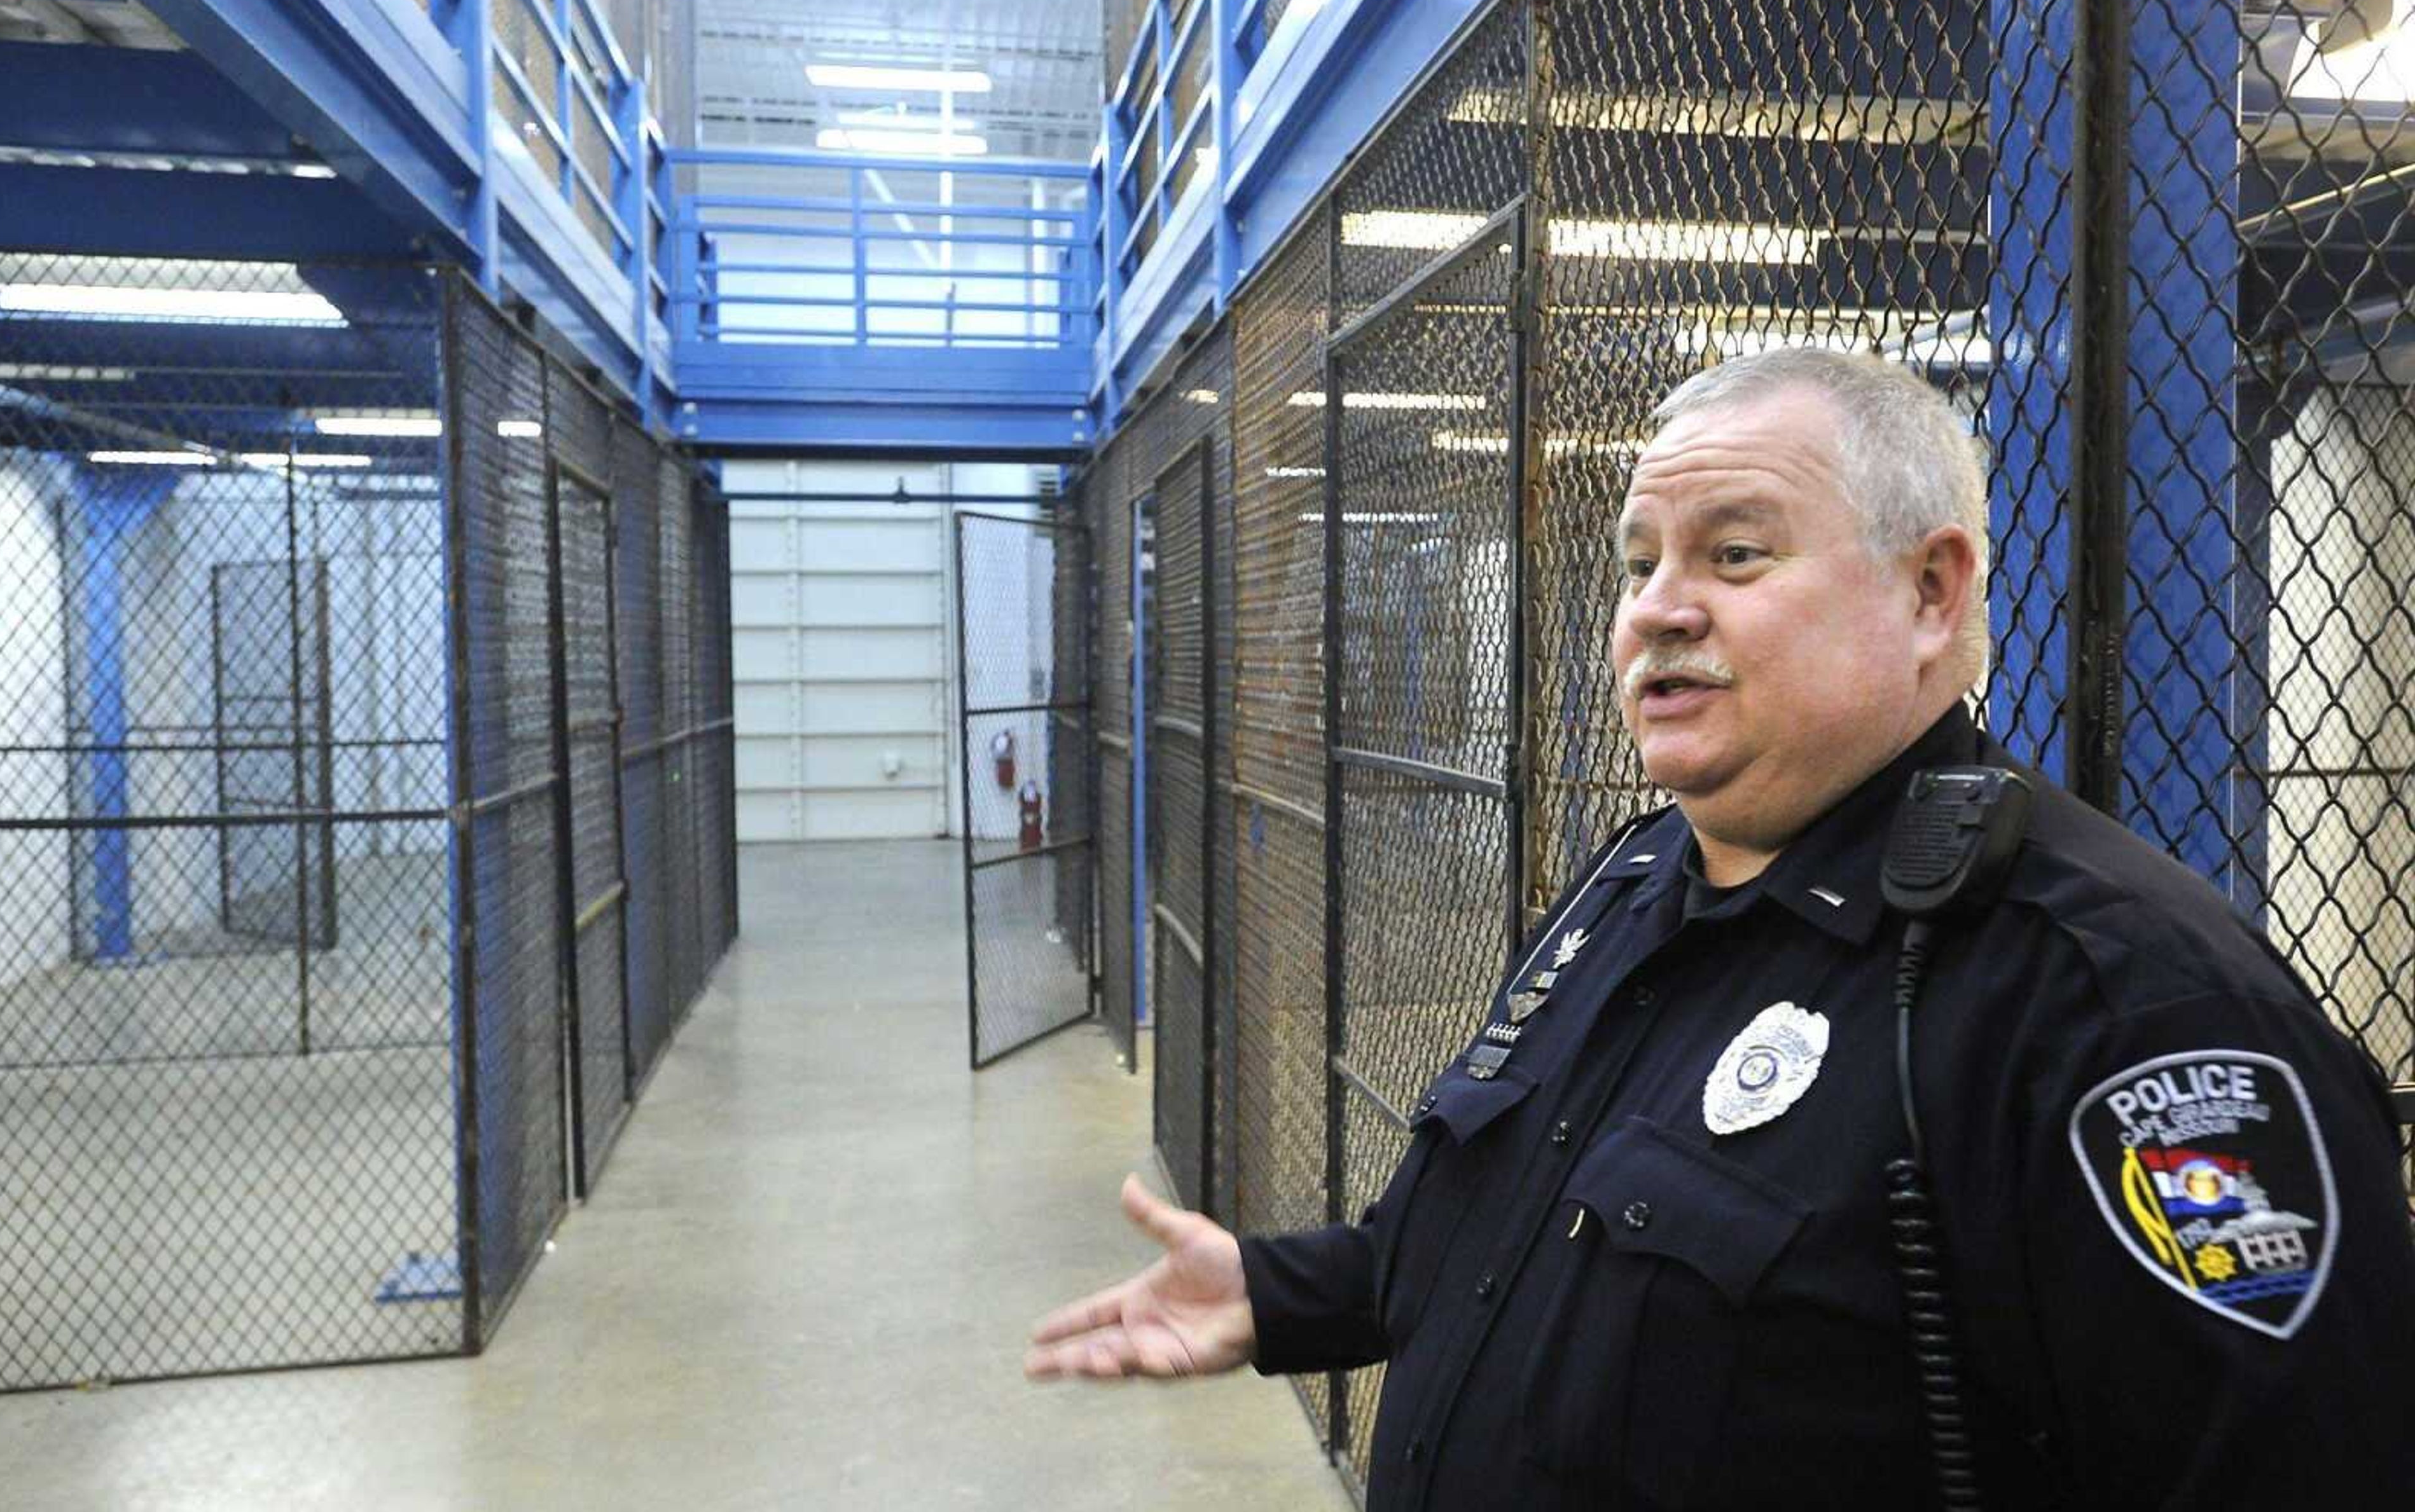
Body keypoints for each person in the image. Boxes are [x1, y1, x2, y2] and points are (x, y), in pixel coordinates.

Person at [1025, 348, 2415, 1508]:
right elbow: (1496, 1229)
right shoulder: (1635, 888)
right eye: (1640, 565)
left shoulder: (2116, 1004)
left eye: (1735, 553)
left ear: (1935, 591)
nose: (1659, 610)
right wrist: (1281, 1293)